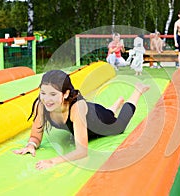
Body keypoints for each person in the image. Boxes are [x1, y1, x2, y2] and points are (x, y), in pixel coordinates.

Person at [13, 70, 150, 170]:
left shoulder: (76, 109)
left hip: (100, 121)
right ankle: (114, 107)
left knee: (118, 126)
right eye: (43, 93)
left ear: (66, 93)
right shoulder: (41, 105)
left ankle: (137, 91)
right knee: (106, 113)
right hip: (90, 115)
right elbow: (35, 135)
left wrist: (53, 161)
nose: (47, 99)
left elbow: (82, 151)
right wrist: (31, 145)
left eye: (53, 94)